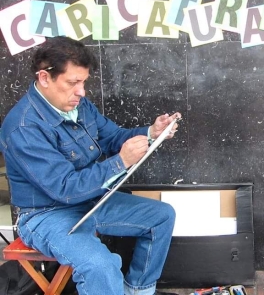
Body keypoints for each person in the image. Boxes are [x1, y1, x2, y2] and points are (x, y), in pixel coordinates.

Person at [0, 36, 181, 295]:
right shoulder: (23, 127)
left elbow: (112, 137)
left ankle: (138, 291)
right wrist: (120, 162)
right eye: (73, 83)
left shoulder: (79, 106)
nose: (81, 92)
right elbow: (65, 188)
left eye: (83, 82)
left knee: (161, 216)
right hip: (46, 214)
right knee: (100, 266)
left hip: (89, 201)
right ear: (44, 78)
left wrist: (152, 132)